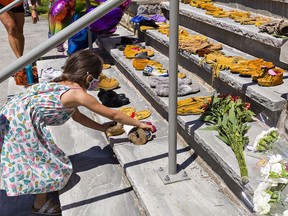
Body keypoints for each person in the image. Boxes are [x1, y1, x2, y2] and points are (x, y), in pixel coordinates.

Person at [0, 49, 153, 215]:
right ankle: (40, 205)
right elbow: (114, 113)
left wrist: (102, 128)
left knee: (41, 160)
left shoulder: (61, 83)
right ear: (88, 77)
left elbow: (78, 117)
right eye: (98, 76)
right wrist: (139, 123)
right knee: (44, 164)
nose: (98, 81)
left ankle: (40, 196)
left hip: (12, 116)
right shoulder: (79, 94)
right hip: (20, 126)